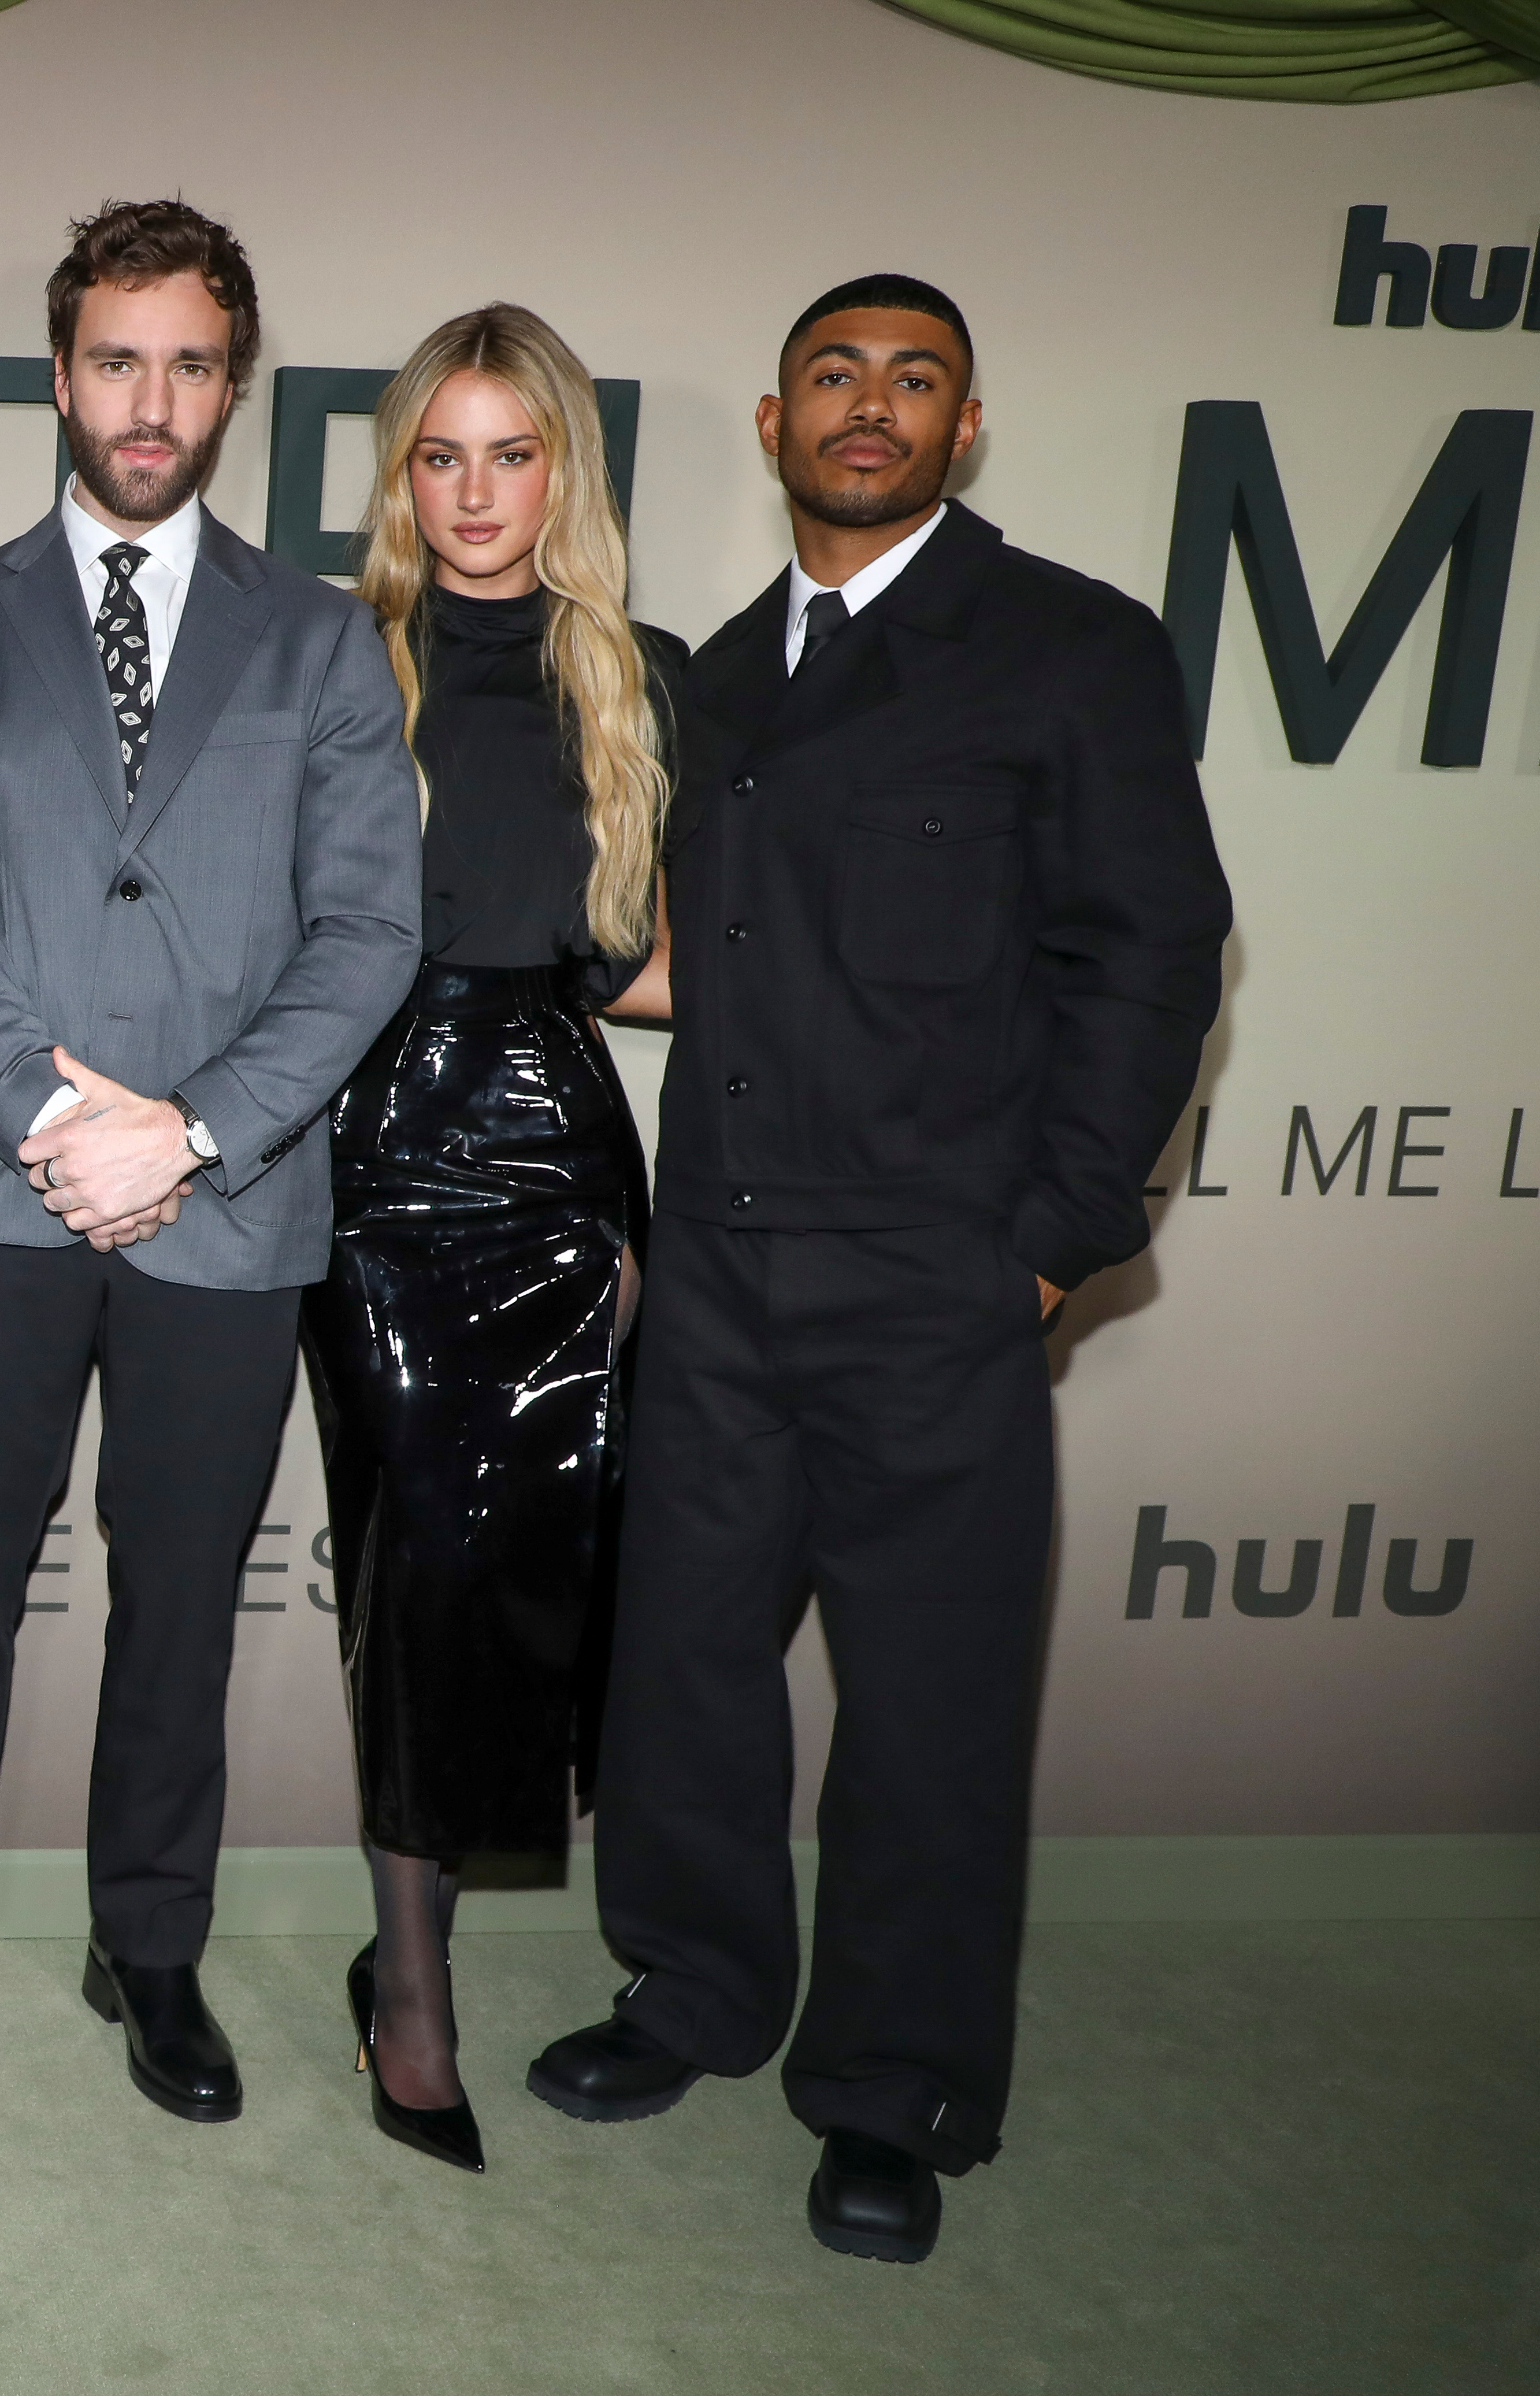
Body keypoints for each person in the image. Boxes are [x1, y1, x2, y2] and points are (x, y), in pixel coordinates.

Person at [524, 276, 1230, 2264]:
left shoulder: (1068, 646)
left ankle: (891, 2086)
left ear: (964, 426)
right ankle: (691, 1990)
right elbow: (685, 947)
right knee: (679, 1673)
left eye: (914, 379)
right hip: (722, 1269)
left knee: (925, 1708)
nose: (870, 406)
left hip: (937, 1277)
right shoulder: (719, 670)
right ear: (770, 423)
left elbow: (1153, 952)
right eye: (834, 375)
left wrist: (1048, 1243)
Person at [0, 199, 421, 2127]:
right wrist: (48, 1116)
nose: (149, 397)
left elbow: (364, 935)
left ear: (232, 384)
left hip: (227, 1200)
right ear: (62, 372)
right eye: (116, 357)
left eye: (187, 362)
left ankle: (149, 1949)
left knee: (180, 1604)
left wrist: (183, 1128)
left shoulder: (323, 641)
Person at [295, 304, 683, 2175]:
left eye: (508, 454)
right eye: (437, 455)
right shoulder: (326, 652)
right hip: (360, 1152)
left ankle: (411, 1949)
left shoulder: (635, 672)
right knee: (409, 1568)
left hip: (548, 1143)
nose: (471, 494)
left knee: (527, 1572)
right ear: (399, 472)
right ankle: (414, 2000)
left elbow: (640, 962)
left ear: (562, 472)